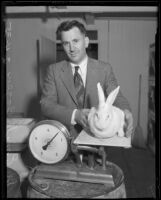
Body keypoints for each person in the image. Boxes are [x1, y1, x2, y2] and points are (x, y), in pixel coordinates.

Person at [40, 20, 133, 139]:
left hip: (98, 137)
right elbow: (46, 105)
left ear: (86, 42)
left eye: (75, 41)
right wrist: (75, 115)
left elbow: (117, 97)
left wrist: (125, 112)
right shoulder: (53, 70)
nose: (71, 48)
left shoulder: (104, 69)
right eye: (66, 43)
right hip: (65, 139)